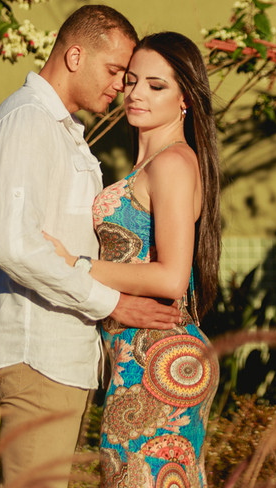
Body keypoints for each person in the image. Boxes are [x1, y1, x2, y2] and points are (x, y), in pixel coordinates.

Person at [0, 5, 182, 488]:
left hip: (65, 356)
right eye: (114, 72)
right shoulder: (27, 121)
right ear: (74, 55)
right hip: (38, 353)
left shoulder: (64, 132)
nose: (121, 87)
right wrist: (112, 303)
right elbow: (14, 246)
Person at [45, 31, 222, 488]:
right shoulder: (155, 163)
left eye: (156, 85)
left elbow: (172, 278)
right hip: (140, 354)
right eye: (131, 80)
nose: (137, 93)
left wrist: (80, 266)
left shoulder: (173, 165)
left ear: (185, 98)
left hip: (159, 356)